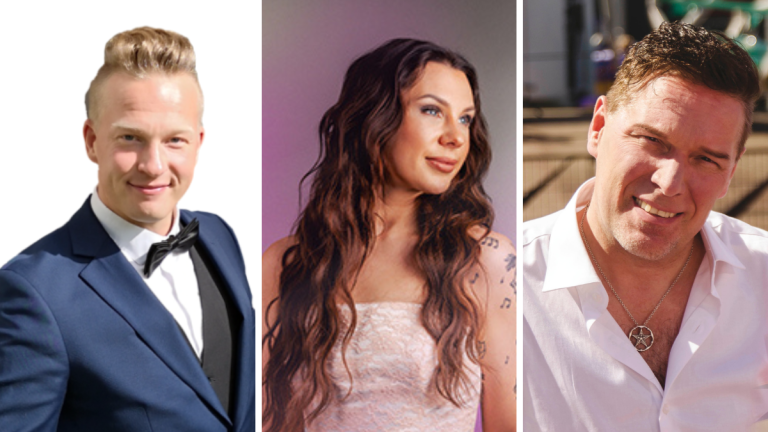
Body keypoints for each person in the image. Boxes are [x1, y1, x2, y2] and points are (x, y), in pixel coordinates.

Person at [0, 27, 255, 431]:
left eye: (175, 140)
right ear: (91, 140)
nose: (153, 165)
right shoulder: (32, 291)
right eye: (131, 138)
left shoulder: (220, 237)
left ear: (199, 142)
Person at [523, 22, 768, 431]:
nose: (669, 184)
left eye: (707, 159)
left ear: (732, 171)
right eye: (652, 141)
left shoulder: (762, 275)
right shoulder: (511, 286)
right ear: (598, 128)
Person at [262, 38, 516, 432]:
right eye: (432, 110)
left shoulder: (485, 260)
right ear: (373, 117)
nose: (456, 137)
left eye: (465, 118)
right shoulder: (285, 263)